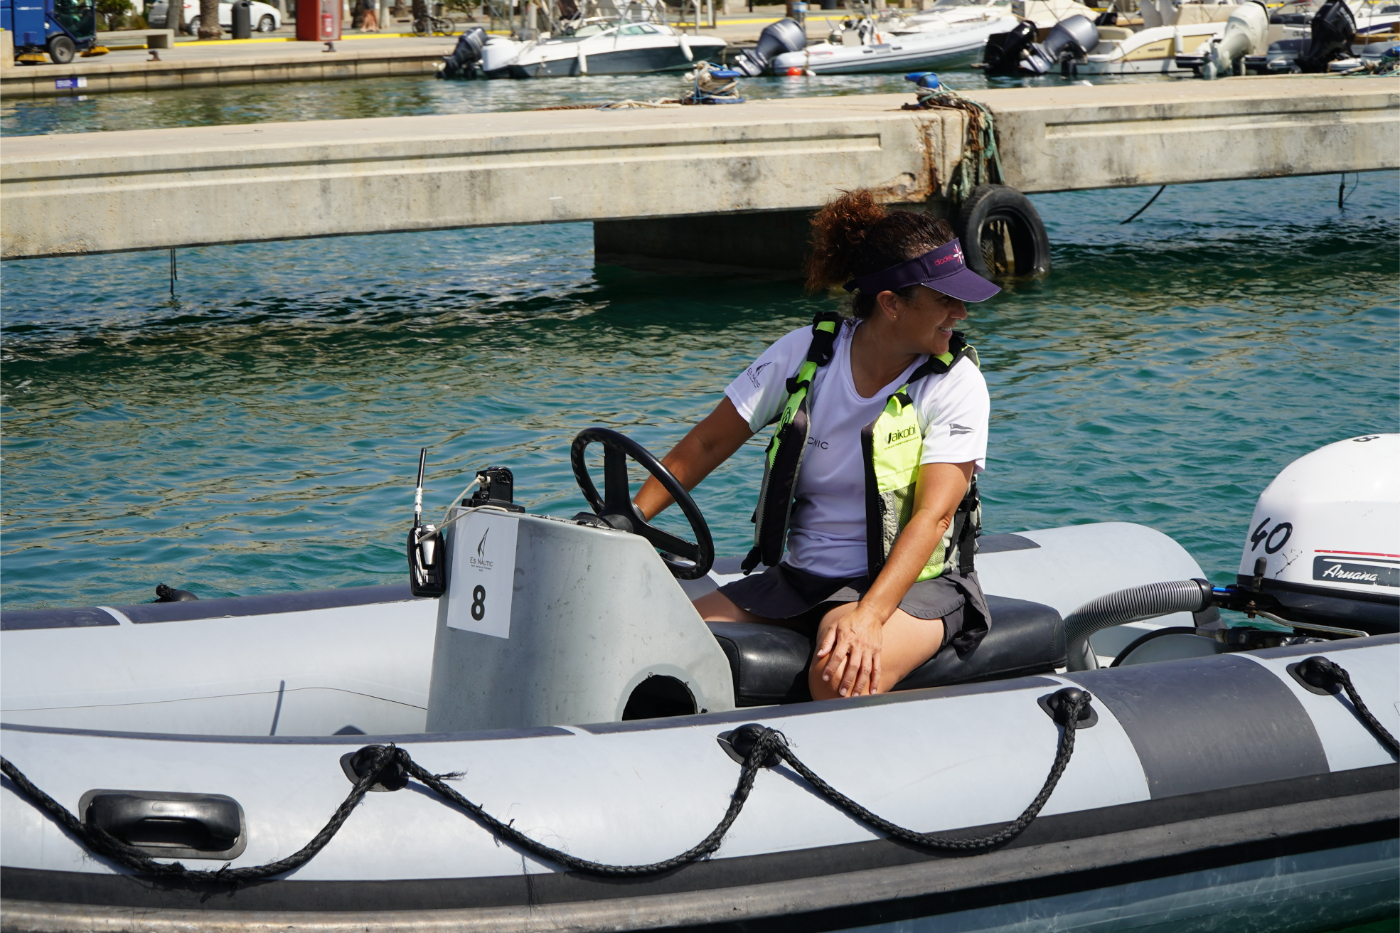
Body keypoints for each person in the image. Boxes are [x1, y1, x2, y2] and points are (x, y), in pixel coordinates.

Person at [633, 189, 999, 701]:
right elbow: (709, 443)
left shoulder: (956, 384)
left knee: (838, 676)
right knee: (658, 647)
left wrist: (868, 616)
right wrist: (630, 520)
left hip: (916, 587)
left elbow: (933, 517)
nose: (961, 312)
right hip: (799, 579)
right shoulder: (805, 353)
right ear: (891, 304)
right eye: (945, 300)